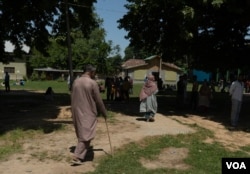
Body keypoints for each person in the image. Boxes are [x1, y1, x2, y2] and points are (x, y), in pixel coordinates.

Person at [71, 64, 107, 164]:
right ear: (91, 72)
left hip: (76, 109)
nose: (94, 74)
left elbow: (72, 95)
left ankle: (81, 152)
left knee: (82, 132)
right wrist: (104, 112)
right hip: (88, 111)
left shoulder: (76, 81)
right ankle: (77, 156)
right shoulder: (92, 83)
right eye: (94, 72)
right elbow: (98, 100)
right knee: (87, 133)